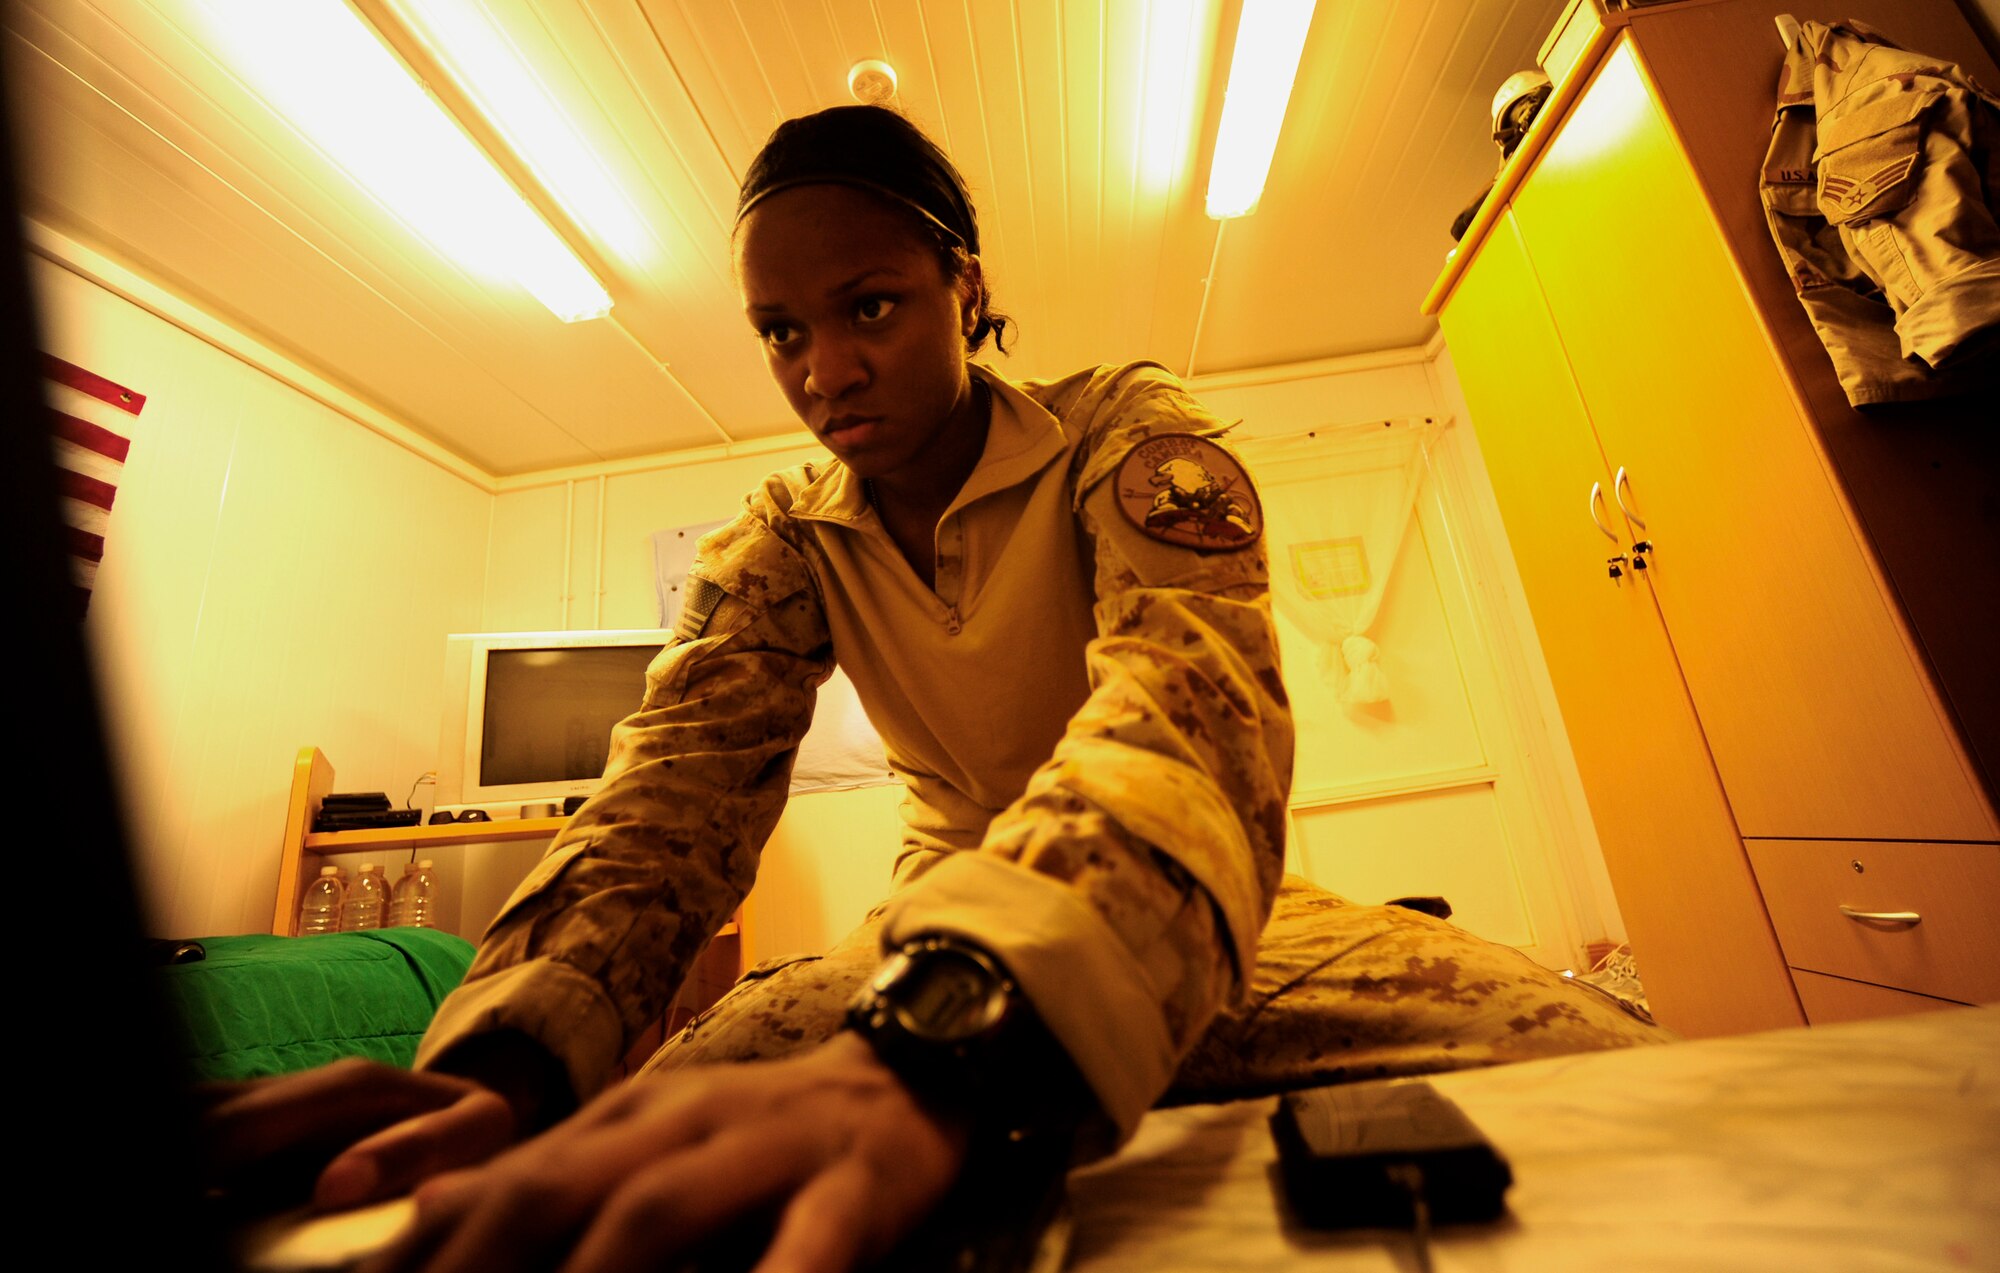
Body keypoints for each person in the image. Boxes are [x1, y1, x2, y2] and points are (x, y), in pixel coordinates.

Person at [202, 105, 1663, 1273]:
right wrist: (511, 1062)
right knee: (648, 1156)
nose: (825, 368)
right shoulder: (783, 539)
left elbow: (1190, 714)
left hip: (1211, 915)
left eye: (872, 306)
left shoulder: (1127, 439)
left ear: (967, 285)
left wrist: (959, 1044)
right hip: (925, 925)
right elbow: (666, 805)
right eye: (783, 330)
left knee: (1606, 1071)